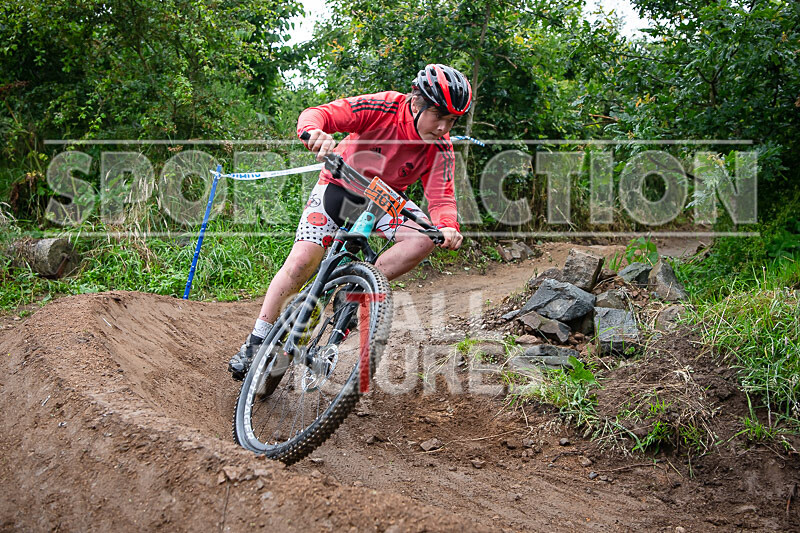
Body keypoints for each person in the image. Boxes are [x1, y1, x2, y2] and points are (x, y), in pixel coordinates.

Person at [228, 63, 473, 379]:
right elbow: (322, 114)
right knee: (302, 261)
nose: (443, 127)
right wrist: (314, 132)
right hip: (340, 185)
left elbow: (442, 199)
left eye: (451, 121)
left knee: (425, 237)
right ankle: (256, 339)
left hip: (385, 200)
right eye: (438, 115)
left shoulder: (442, 146)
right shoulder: (384, 106)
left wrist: (448, 226)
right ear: (417, 102)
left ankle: (360, 282)